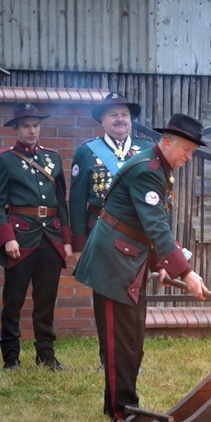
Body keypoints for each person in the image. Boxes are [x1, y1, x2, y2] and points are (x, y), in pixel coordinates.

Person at [74, 113, 208, 422]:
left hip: (128, 260)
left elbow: (142, 224)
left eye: (193, 152)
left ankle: (127, 404)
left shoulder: (159, 167)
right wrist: (185, 272)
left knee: (132, 342)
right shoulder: (149, 171)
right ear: (168, 141)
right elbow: (156, 226)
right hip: (112, 265)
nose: (189, 157)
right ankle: (120, 411)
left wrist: (162, 263)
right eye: (187, 149)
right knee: (118, 344)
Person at [70, 92, 153, 370]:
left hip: (138, 237)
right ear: (102, 120)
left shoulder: (147, 149)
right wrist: (80, 244)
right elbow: (77, 199)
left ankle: (134, 359)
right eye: (113, 114)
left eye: (125, 115)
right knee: (105, 298)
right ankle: (108, 360)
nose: (120, 119)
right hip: (102, 233)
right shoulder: (87, 151)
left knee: (136, 298)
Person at [0, 103, 73, 371]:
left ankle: (46, 356)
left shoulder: (53, 159)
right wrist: (6, 238)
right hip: (20, 239)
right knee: (13, 300)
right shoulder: (4, 160)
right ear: (15, 129)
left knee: (46, 300)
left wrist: (67, 240)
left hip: (50, 238)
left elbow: (62, 201)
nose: (32, 130)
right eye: (26, 125)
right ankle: (10, 358)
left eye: (36, 125)